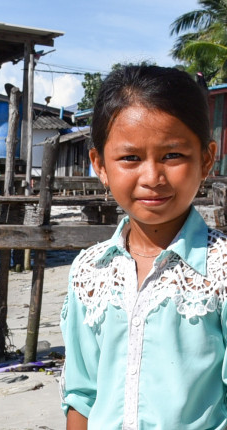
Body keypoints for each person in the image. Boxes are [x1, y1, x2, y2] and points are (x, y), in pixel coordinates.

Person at [60, 65, 224, 429]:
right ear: (100, 165)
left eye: (172, 156)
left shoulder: (221, 269)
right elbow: (82, 394)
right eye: (131, 158)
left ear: (207, 160)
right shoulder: (89, 271)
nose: (152, 178)